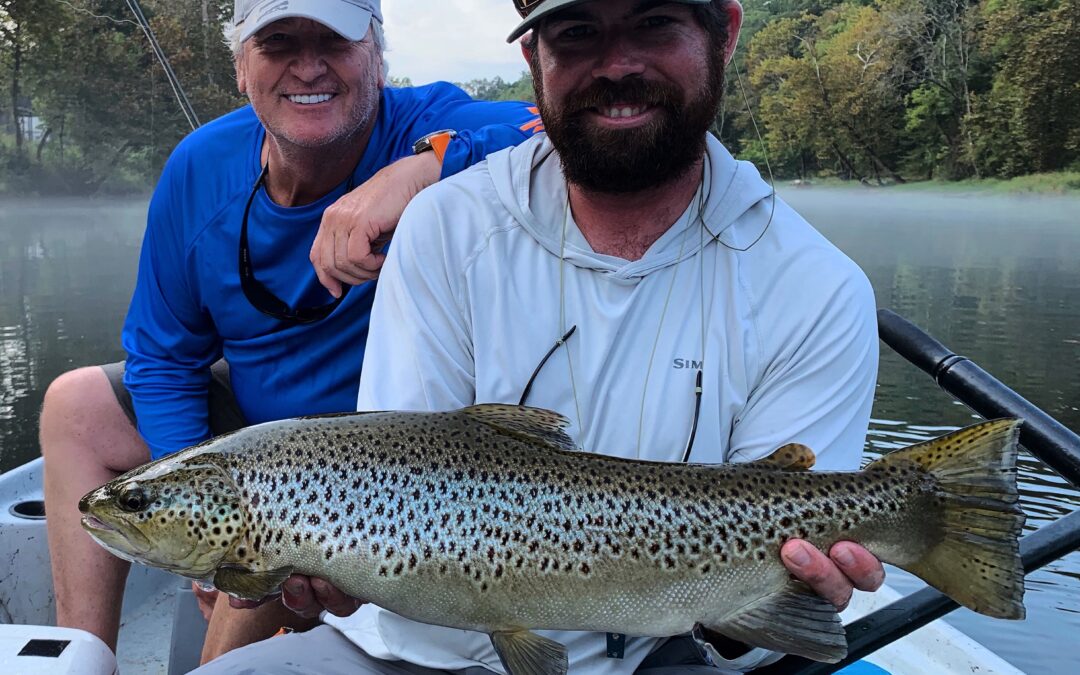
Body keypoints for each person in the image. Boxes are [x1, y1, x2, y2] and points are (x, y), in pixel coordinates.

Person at [192, 0, 885, 673]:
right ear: (533, 56)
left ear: (724, 33)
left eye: (654, 22)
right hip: (403, 651)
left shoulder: (816, 288)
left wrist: (782, 603)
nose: (617, 64)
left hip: (661, 654)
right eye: (578, 32)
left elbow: (755, 630)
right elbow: (397, 471)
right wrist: (333, 574)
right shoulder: (445, 228)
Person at [38, 0, 543, 664]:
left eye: (333, 42)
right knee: (74, 405)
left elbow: (555, 121)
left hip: (365, 471)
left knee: (238, 619)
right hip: (250, 443)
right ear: (242, 67)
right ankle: (81, 657)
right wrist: (200, 512)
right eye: (279, 44)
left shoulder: (426, 123)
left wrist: (422, 168)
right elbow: (162, 357)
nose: (309, 67)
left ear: (377, 57)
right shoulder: (200, 167)